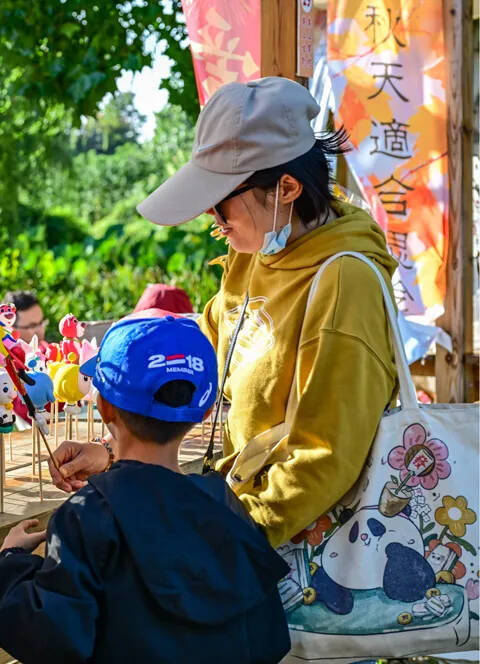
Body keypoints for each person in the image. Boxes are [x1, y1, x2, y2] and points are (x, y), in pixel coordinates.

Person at [48, 77, 398, 549]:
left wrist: (213, 542)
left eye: (220, 201)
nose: (211, 217)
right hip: (234, 522)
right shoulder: (254, 251)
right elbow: (199, 361)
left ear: (287, 187)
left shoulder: (344, 284)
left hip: (282, 549)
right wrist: (117, 450)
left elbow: (322, 458)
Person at [0, 317, 290, 663]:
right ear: (205, 413)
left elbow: (45, 635)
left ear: (103, 407)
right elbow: (266, 635)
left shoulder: (85, 517)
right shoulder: (225, 505)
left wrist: (9, 562)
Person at [2, 291, 51, 355]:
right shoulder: (3, 359)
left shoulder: (47, 350)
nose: (40, 330)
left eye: (41, 322)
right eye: (32, 326)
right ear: (10, 328)